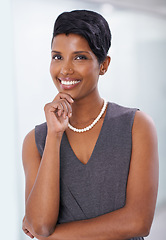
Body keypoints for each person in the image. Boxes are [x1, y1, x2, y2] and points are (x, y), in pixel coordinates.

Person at [22, 10, 159, 240]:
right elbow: (41, 225)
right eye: (57, 57)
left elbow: (138, 222)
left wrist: (54, 236)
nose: (65, 70)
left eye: (79, 57)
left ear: (103, 65)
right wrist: (54, 136)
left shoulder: (137, 127)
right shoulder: (36, 141)